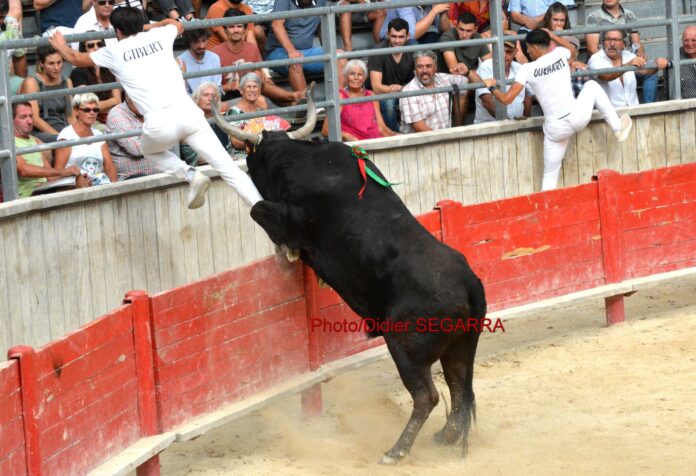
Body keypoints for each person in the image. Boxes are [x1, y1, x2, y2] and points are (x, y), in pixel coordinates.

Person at [49, 6, 263, 209]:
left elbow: (75, 57)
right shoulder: (160, 35)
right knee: (229, 169)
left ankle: (190, 175)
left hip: (160, 126)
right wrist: (150, 27)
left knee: (149, 150)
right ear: (140, 25)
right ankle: (263, 209)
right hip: (190, 115)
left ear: (117, 31)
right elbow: (176, 22)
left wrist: (59, 45)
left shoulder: (113, 51)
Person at [483, 29, 632, 191]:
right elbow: (573, 51)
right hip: (577, 117)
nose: (528, 52)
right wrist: (552, 35)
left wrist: (492, 87)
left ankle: (547, 211)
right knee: (592, 86)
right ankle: (618, 128)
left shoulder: (526, 69)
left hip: (556, 129)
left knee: (549, 174)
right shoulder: (560, 53)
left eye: (529, 48)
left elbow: (506, 99)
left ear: (535, 48)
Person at [212, 9, 303, 104]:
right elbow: (211, 88)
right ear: (225, 30)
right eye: (231, 27)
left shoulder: (252, 48)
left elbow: (261, 75)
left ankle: (294, 103)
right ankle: (296, 96)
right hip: (227, 97)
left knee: (258, 80)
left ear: (245, 30)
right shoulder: (215, 54)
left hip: (250, 92)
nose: (236, 30)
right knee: (260, 98)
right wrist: (230, 86)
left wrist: (258, 75)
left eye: (239, 26)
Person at [585, 0, 657, 104]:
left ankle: (648, 108)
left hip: (627, 59)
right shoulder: (594, 17)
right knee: (610, 76)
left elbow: (636, 44)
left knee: (651, 71)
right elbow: (592, 49)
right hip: (605, 62)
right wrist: (612, 63)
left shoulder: (629, 15)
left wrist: (640, 57)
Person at [13, 102, 86, 198]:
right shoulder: (9, 142)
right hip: (28, 194)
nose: (29, 121)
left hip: (43, 189)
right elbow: (23, 170)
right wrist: (63, 171)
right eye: (23, 117)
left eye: (31, 116)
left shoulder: (34, 140)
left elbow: (51, 176)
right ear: (11, 120)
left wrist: (72, 175)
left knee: (79, 179)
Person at [266, 0, 337, 94]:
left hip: (306, 52)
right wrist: (291, 51)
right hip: (278, 52)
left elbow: (321, 26)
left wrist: (328, 49)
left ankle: (340, 103)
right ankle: (308, 106)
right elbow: (276, 24)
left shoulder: (320, 2)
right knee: (296, 61)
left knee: (339, 56)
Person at [588, 29, 669, 108]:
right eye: (608, 39)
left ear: (623, 44)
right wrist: (628, 65)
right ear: (603, 42)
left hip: (633, 110)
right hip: (609, 115)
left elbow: (644, 71)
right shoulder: (595, 59)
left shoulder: (628, 55)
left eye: (616, 40)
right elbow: (606, 76)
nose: (612, 44)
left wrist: (656, 64)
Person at [321, 59, 397, 141]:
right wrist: (345, 135)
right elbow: (326, 130)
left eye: (360, 74)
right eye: (352, 74)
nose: (356, 77)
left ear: (364, 78)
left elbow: (381, 128)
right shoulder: (340, 97)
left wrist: (396, 136)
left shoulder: (371, 95)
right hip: (355, 147)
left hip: (375, 141)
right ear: (346, 77)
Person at [438, 12, 491, 123]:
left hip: (467, 78)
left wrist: (470, 73)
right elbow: (454, 70)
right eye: (461, 29)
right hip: (443, 79)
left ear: (475, 29)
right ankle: (459, 130)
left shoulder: (478, 39)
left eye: (468, 31)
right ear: (456, 26)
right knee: (462, 87)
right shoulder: (448, 36)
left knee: (489, 86)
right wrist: (474, 74)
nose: (464, 34)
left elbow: (491, 67)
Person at [54, 93, 118, 185]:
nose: (92, 113)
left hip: (99, 185)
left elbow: (110, 167)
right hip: (74, 188)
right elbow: (58, 173)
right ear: (76, 111)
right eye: (87, 110)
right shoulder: (66, 137)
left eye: (95, 110)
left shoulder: (98, 135)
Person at [399, 50, 469, 133]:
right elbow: (420, 128)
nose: (424, 70)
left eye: (428, 66)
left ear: (435, 67)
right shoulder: (409, 91)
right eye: (420, 66)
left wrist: (467, 72)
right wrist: (446, 141)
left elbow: (478, 84)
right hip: (421, 143)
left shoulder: (443, 78)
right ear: (415, 69)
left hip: (444, 138)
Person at [226, 72, 291, 160]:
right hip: (243, 156)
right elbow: (236, 143)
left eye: (255, 86)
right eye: (248, 87)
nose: (252, 90)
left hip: (263, 152)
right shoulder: (234, 112)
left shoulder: (261, 110)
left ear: (259, 90)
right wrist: (260, 143)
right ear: (241, 90)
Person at [19, 45, 74, 143]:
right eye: (51, 63)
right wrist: (60, 137)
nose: (56, 67)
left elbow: (70, 116)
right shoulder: (32, 82)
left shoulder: (67, 81)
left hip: (63, 129)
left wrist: (76, 134)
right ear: (41, 64)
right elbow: (34, 119)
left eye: (59, 62)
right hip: (39, 132)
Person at [368, 18, 414, 132]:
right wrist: (395, 89)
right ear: (388, 35)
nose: (397, 41)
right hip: (383, 93)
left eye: (401, 37)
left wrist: (403, 88)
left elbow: (419, 81)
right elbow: (376, 87)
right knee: (388, 104)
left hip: (404, 90)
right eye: (394, 36)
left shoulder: (414, 49)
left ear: (408, 36)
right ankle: (394, 136)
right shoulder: (377, 51)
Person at [70, 37, 122, 129]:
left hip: (114, 115)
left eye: (99, 44)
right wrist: (112, 101)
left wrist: (103, 104)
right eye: (90, 45)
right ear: (83, 50)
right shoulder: (78, 72)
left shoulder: (108, 68)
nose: (96, 48)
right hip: (92, 120)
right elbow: (87, 106)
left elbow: (118, 101)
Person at [105, 95, 161, 180]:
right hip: (132, 180)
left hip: (161, 174)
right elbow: (137, 149)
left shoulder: (152, 109)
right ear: (128, 97)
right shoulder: (117, 114)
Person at [474, 41, 531, 123]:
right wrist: (507, 123)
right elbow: (487, 102)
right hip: (490, 126)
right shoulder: (485, 67)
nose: (504, 55)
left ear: (515, 52)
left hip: (517, 124)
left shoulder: (520, 68)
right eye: (501, 51)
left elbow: (528, 97)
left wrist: (526, 122)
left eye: (508, 52)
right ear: (494, 52)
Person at [379, 0, 449, 44]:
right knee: (413, 44)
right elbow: (411, 35)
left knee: (444, 40)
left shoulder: (431, 3)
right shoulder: (403, 1)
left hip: (419, 36)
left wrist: (444, 13)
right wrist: (434, 11)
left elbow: (444, 30)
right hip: (393, 39)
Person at [178, 28, 223, 94]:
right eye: (196, 42)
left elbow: (217, 86)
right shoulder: (180, 61)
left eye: (204, 41)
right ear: (189, 42)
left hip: (211, 99)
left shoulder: (214, 58)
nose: (202, 46)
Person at [0, 0, 28, 94]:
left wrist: (24, 82)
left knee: (28, 85)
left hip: (6, 80)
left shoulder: (11, 25)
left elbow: (19, 57)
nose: (0, 21)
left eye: (2, 17)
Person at [678, 25, 696, 99]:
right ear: (682, 40)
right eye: (686, 40)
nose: (689, 44)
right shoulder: (674, 58)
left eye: (693, 40)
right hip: (686, 108)